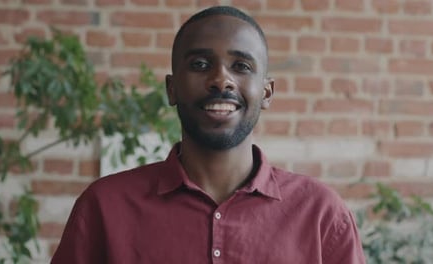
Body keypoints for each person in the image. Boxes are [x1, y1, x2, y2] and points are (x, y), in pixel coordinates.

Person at [51, 6, 366, 264]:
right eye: (200, 64)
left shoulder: (321, 213)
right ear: (172, 88)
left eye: (241, 65)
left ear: (267, 92)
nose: (220, 80)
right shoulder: (104, 207)